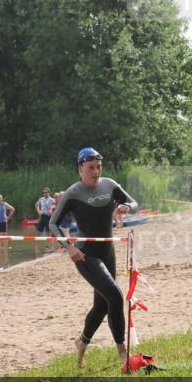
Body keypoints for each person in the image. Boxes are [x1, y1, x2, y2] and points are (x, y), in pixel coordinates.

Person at [50, 147, 139, 368]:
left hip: (108, 252)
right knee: (116, 297)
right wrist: (68, 247)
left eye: (98, 167)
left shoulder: (110, 185)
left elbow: (135, 204)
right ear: (80, 168)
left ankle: (81, 342)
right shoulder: (73, 193)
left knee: (101, 306)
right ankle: (123, 354)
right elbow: (53, 223)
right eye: (91, 167)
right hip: (85, 255)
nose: (96, 171)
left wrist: (126, 206)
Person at [0, 194, 16, 270]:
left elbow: (12, 209)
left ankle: (5, 256)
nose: (0, 199)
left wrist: (8, 217)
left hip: (3, 222)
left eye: (1, 198)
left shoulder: (4, 204)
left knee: (4, 236)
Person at [34, 187, 56, 255]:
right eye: (43, 193)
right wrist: (38, 211)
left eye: (46, 192)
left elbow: (55, 206)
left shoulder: (52, 200)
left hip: (49, 216)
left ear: (48, 193)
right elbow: (36, 204)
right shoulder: (41, 199)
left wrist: (51, 209)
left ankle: (49, 247)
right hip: (42, 216)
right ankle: (36, 247)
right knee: (38, 231)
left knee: (48, 232)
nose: (44, 194)